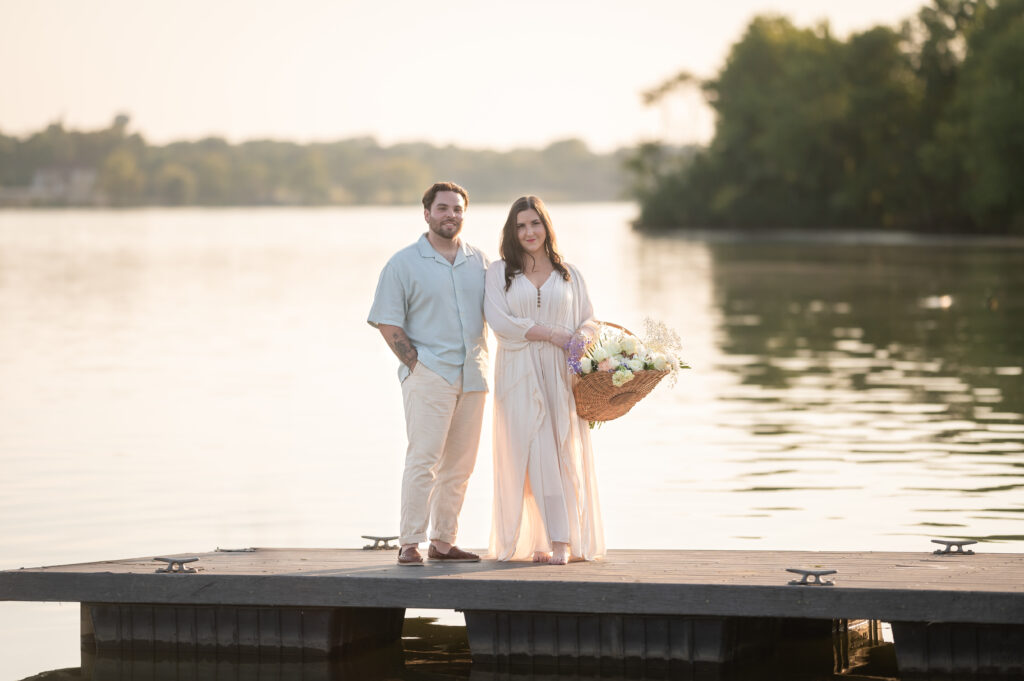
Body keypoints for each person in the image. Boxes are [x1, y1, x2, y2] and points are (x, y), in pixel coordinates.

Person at [368, 181, 489, 566]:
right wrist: (416, 364)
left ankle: (443, 541)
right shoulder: (403, 263)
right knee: (424, 459)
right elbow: (388, 323)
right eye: (442, 208)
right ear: (427, 213)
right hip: (430, 374)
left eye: (457, 209)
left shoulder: (480, 262)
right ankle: (409, 542)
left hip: (474, 374)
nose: (450, 215)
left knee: (461, 465)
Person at [484, 195, 605, 565]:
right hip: (518, 373)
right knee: (530, 452)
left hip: (559, 373)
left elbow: (590, 319)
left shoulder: (570, 273)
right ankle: (549, 539)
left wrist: (582, 336)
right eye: (520, 225)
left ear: (546, 226)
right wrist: (551, 333)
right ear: (511, 230)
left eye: (534, 223)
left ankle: (556, 539)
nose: (528, 232)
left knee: (562, 451)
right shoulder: (499, 272)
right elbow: (499, 322)